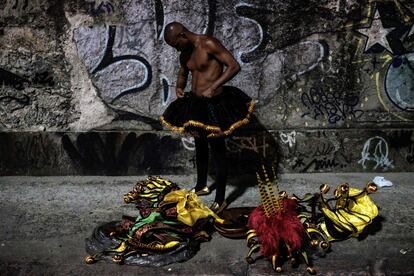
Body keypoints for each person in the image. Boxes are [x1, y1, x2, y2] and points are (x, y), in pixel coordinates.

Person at [160, 22, 254, 213]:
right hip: (195, 103)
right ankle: (201, 185)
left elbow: (233, 66)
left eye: (176, 45)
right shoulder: (185, 53)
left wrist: (213, 87)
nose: (176, 49)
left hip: (215, 103)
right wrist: (179, 86)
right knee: (200, 145)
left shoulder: (209, 44)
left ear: (183, 35)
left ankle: (221, 199)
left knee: (218, 151)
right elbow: (184, 72)